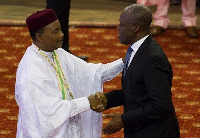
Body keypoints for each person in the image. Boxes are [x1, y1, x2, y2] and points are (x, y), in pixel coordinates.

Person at [15, 9, 124, 137]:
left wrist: (124, 61)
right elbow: (50, 115)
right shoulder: (32, 71)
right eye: (55, 32)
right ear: (39, 36)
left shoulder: (56, 53)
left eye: (60, 29)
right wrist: (87, 102)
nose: (61, 35)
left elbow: (92, 73)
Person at [96, 4, 180, 137]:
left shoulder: (152, 59)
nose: (118, 28)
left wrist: (124, 119)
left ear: (135, 27)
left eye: (121, 24)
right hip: (141, 129)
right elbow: (136, 91)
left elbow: (161, 105)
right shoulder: (135, 50)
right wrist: (106, 99)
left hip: (156, 132)